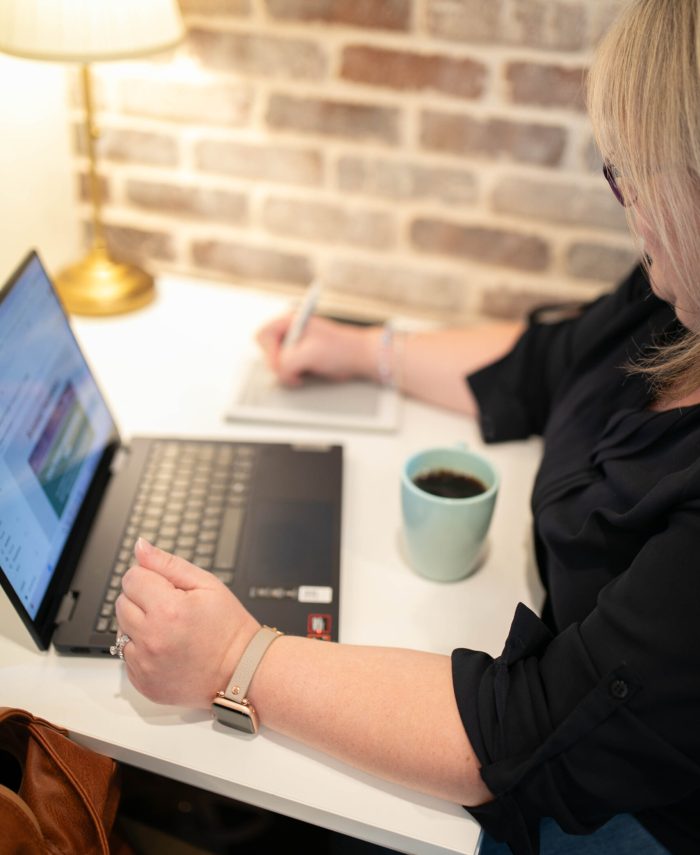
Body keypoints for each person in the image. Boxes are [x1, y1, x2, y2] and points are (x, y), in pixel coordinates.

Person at [114, 2, 700, 852]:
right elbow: (545, 360)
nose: (628, 207)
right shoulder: (671, 301)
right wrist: (360, 349)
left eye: (637, 178)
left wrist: (239, 659)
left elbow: (521, 732)